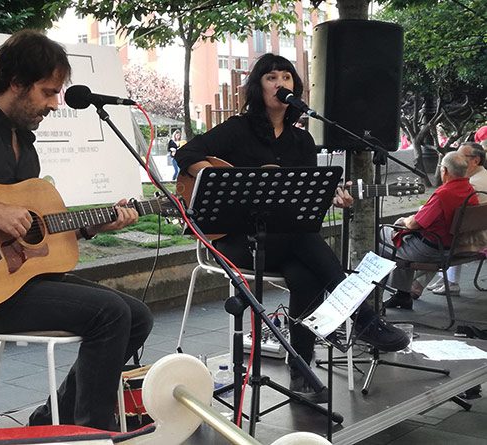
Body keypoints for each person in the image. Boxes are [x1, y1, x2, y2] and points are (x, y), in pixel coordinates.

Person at [0, 30, 153, 431]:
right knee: (108, 314)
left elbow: (32, 237)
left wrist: (91, 227)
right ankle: (92, 433)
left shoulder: (24, 144)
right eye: (48, 92)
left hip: (14, 284)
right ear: (16, 83)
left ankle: (52, 420)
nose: (55, 104)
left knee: (137, 316)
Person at [174, 53, 408, 403]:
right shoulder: (237, 130)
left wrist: (333, 197)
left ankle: (301, 364)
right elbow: (185, 154)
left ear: (294, 88)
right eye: (271, 77)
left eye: (286, 77)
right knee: (305, 243)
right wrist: (220, 179)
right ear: (258, 86)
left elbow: (304, 203)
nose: (280, 83)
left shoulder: (302, 142)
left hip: (286, 241)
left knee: (306, 272)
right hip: (233, 239)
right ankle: (360, 317)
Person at [382, 151, 479, 309]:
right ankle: (402, 294)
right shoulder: (470, 190)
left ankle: (385, 294)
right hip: (454, 247)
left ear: (445, 171)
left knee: (382, 235)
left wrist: (404, 220)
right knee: (399, 242)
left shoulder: (443, 193)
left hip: (432, 250)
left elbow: (414, 224)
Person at [425, 142, 487, 295]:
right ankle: (444, 280)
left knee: (431, 237)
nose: (457, 160)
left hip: (472, 239)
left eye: (461, 157)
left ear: (475, 160)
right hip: (476, 231)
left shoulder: (471, 184)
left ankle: (416, 287)